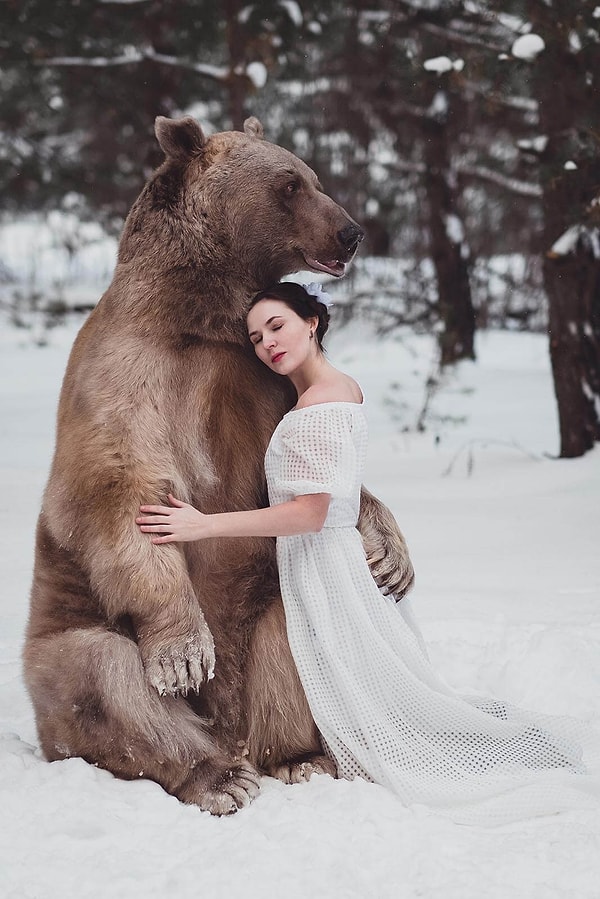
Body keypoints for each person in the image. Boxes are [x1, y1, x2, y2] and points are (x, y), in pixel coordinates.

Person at [136, 281, 599, 825]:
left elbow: (312, 511)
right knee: (360, 683)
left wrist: (203, 525)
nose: (267, 344)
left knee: (367, 697)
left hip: (325, 562)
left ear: (311, 321)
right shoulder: (331, 390)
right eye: (257, 337)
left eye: (278, 326)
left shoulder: (322, 401)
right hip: (321, 559)